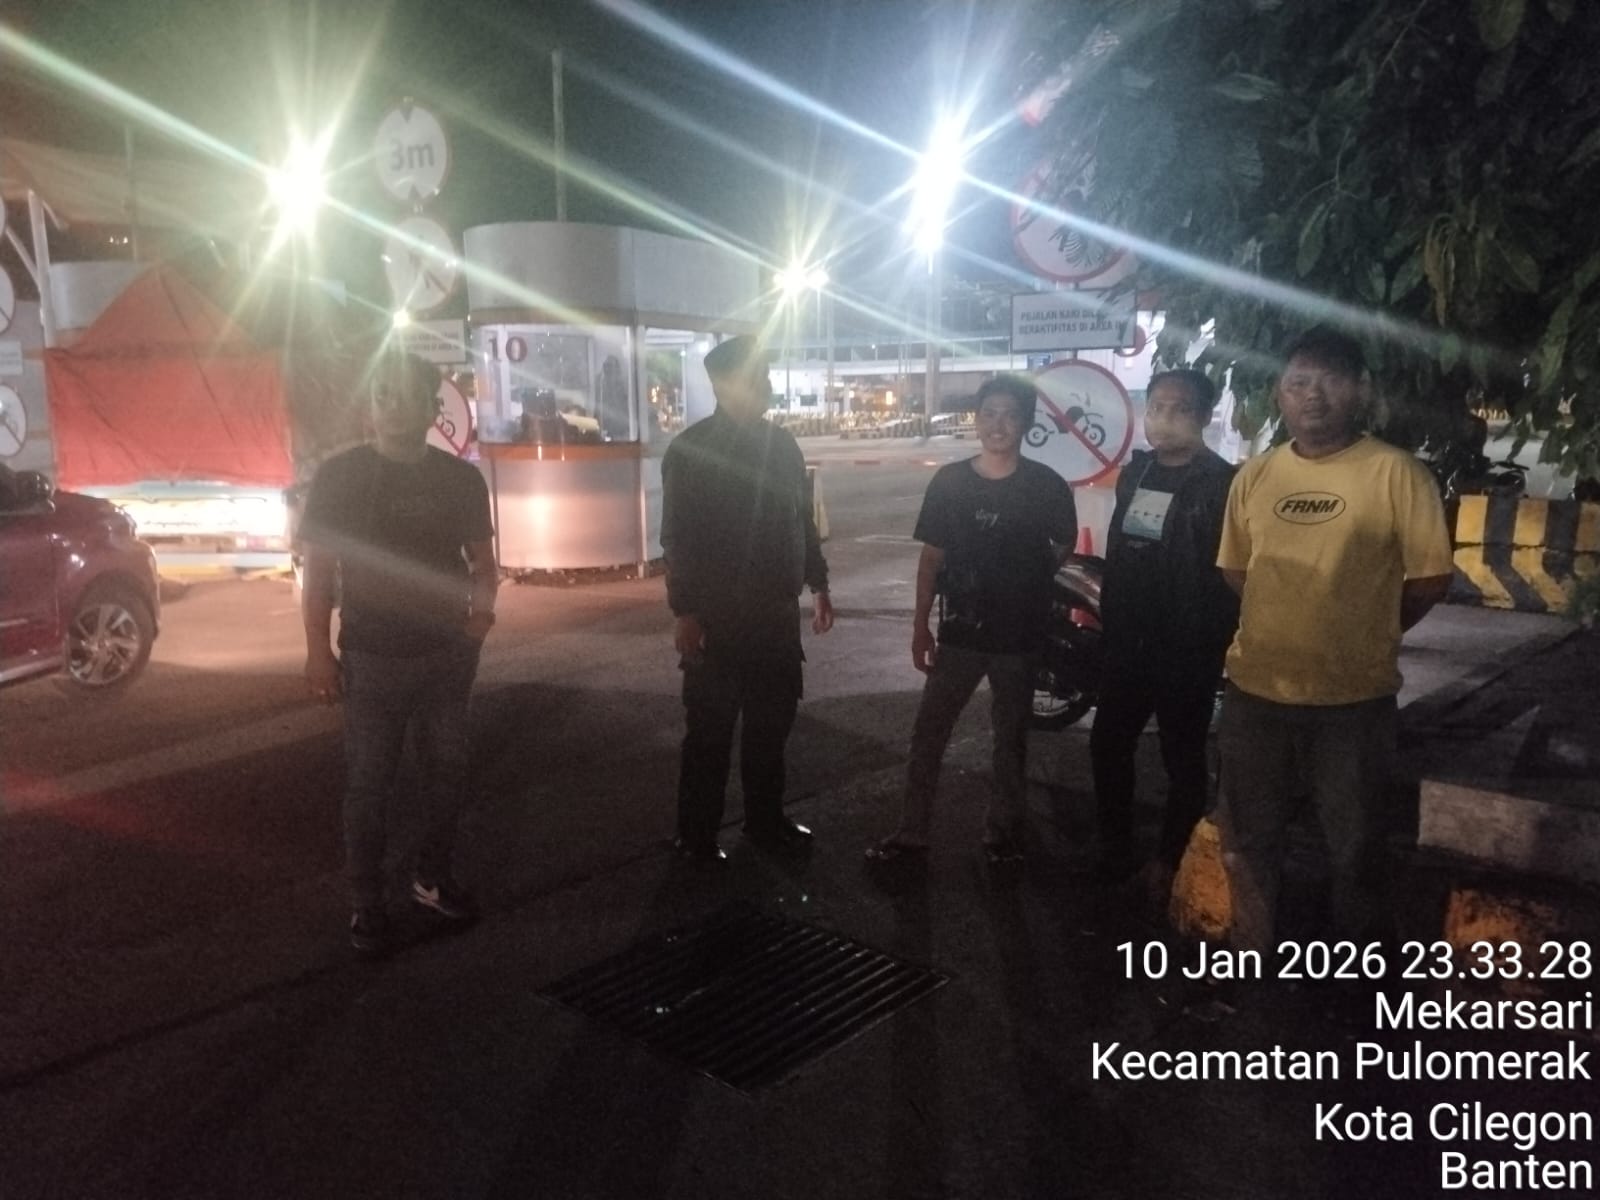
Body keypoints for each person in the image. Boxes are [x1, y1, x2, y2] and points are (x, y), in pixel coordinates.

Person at [1214, 326, 1452, 955]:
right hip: (1255, 694)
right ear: (1280, 393)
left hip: (1354, 703)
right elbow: (1237, 569)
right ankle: (1251, 954)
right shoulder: (1256, 475)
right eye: (1298, 382)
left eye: (1330, 380)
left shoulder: (1397, 474)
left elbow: (1430, 579)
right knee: (1249, 841)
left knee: (1357, 847)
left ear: (1361, 389)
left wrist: (1365, 627)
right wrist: (1288, 617)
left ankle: (1356, 965)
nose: (1312, 395)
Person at [299, 350, 499, 955]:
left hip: (446, 655)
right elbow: (319, 571)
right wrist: (317, 652)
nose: (390, 404)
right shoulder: (340, 476)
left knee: (448, 777)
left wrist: (478, 623)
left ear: (431, 408)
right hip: (372, 656)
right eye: (381, 393)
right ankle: (367, 903)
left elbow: (483, 563)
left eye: (404, 394)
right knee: (369, 786)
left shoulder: (460, 479)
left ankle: (431, 878)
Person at [866, 375, 1078, 865]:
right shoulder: (950, 483)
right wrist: (920, 625)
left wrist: (1029, 579)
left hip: (1020, 635)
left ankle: (1002, 833)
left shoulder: (1046, 485)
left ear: (1026, 422)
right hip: (960, 633)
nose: (998, 425)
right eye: (989, 414)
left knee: (1011, 738)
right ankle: (912, 831)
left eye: (1009, 415)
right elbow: (931, 558)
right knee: (929, 733)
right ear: (976, 420)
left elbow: (1064, 542)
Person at [660, 335, 834, 861]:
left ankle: (765, 822)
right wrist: (685, 612)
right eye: (757, 376)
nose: (767, 384)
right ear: (722, 384)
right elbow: (677, 539)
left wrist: (819, 583)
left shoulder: (782, 446)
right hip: (716, 619)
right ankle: (696, 839)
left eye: (766, 375)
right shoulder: (690, 451)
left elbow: (800, 522)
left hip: (775, 617)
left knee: (770, 730)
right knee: (709, 736)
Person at [1090, 370, 1238, 897]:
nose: (1164, 419)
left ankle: (1170, 859)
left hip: (1187, 645)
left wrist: (1213, 637)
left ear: (1204, 417)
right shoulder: (1138, 472)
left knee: (1182, 755)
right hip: (1129, 640)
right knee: (1108, 744)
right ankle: (1114, 847)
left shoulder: (1223, 483)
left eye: (1179, 409)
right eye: (1155, 408)